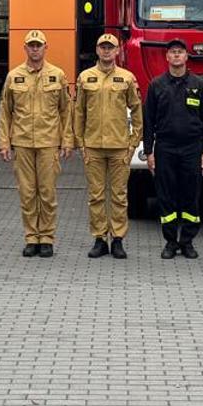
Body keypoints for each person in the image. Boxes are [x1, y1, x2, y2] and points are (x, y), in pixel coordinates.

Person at [0, 30, 73, 257]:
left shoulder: (57, 75)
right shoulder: (14, 76)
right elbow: (5, 111)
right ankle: (31, 237)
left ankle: (47, 238)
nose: (34, 49)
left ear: (45, 48)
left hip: (48, 142)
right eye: (31, 45)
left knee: (47, 192)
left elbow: (66, 111)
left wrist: (67, 140)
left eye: (38, 45)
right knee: (27, 193)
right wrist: (4, 142)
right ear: (25, 48)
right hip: (22, 142)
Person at [143, 39, 203, 259]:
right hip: (165, 148)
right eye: (172, 52)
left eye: (180, 52)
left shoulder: (199, 85)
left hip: (192, 148)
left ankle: (188, 241)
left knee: (190, 195)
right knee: (167, 196)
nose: (176, 56)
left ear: (186, 57)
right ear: (167, 57)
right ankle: (171, 242)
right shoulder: (156, 85)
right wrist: (149, 151)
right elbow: (149, 120)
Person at [73, 33, 142, 259]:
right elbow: (79, 112)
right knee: (96, 196)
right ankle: (100, 239)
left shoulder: (127, 78)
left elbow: (137, 111)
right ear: (97, 50)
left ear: (116, 51)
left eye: (110, 48)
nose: (106, 51)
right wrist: (80, 143)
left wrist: (133, 144)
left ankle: (118, 239)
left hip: (120, 147)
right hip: (93, 146)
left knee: (119, 196)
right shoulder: (85, 77)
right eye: (102, 47)